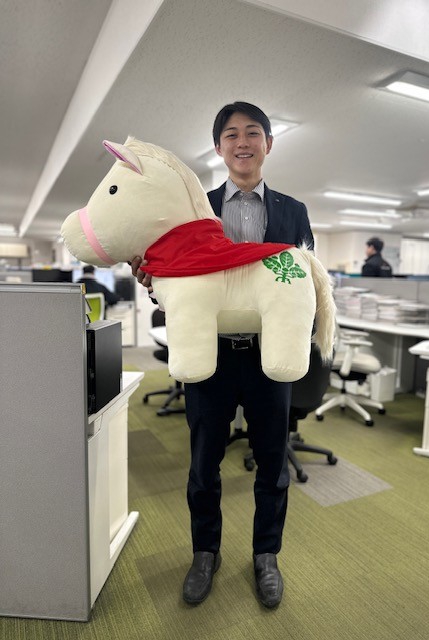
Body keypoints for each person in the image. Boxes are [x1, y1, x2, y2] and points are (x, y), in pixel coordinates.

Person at [130, 101, 314, 608]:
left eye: (253, 133)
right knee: (203, 461)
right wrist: (154, 282)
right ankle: (204, 553)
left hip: (268, 357)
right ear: (218, 147)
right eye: (231, 134)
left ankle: (266, 556)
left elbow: (300, 280)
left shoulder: (294, 212)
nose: (242, 142)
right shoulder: (195, 208)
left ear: (268, 144)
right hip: (209, 355)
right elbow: (178, 282)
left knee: (273, 462)